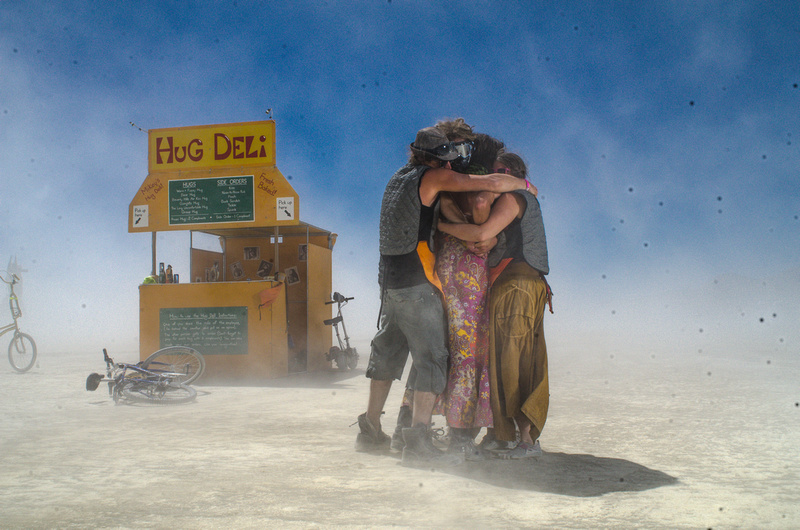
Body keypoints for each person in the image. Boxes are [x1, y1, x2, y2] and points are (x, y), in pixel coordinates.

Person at [356, 125, 535, 467]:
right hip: (418, 282)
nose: (452, 164)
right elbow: (488, 186)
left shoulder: (397, 178)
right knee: (433, 360)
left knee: (388, 357)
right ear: (436, 159)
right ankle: (418, 440)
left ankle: (371, 429)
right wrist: (524, 186)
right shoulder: (434, 177)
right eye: (448, 157)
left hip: (390, 284)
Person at [437, 151, 551, 459]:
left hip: (517, 286)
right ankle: (508, 436)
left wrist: (443, 225)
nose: (491, 177)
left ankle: (526, 440)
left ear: (509, 174)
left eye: (497, 172)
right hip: (520, 286)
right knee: (511, 362)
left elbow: (481, 233)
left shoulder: (513, 197)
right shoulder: (518, 200)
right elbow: (489, 237)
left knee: (514, 363)